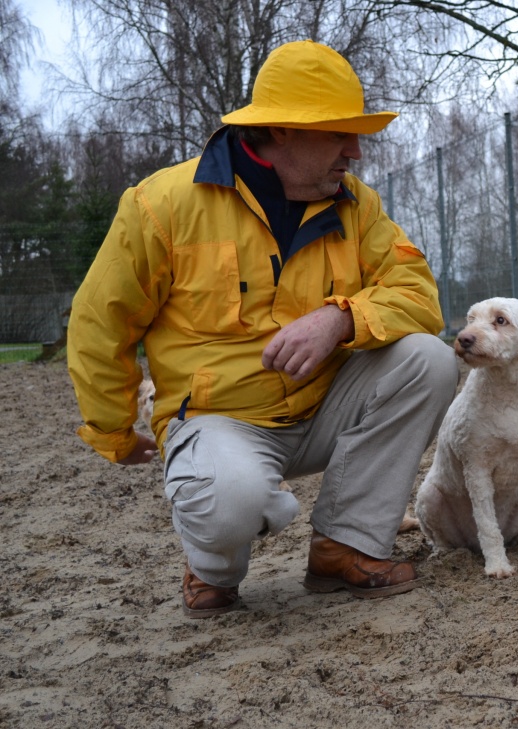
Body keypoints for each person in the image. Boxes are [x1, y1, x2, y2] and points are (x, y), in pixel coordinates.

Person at [67, 39, 458, 619]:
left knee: (429, 359)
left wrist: (340, 317)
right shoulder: (163, 205)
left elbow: (418, 294)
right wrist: (113, 431)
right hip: (219, 419)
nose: (355, 150)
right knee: (234, 500)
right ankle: (213, 568)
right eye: (339, 133)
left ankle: (345, 545)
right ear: (280, 130)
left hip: (324, 406)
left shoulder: (358, 206)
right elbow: (101, 320)